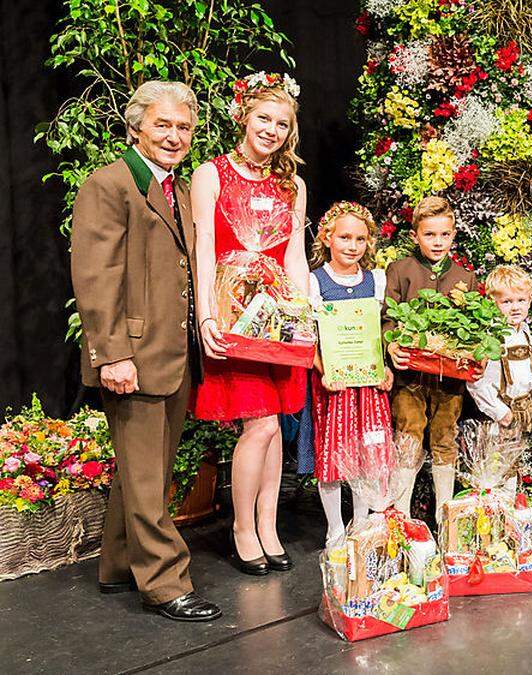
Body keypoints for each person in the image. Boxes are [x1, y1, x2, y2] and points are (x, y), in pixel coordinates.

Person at [71, 80, 221, 621]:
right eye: (163, 125)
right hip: (132, 355)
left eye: (183, 127)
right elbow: (96, 276)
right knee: (145, 473)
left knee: (144, 470)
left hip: (172, 354)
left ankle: (116, 565)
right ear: (135, 127)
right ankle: (163, 583)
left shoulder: (175, 190)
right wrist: (112, 353)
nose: (175, 136)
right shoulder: (109, 185)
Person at [192, 72, 308, 575]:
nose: (272, 130)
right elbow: (203, 250)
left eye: (282, 123)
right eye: (264, 117)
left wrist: (306, 315)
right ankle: (242, 528)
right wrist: (205, 316)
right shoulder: (210, 174)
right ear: (244, 116)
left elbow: (296, 255)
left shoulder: (293, 184)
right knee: (257, 422)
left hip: (279, 315)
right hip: (235, 311)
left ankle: (268, 526)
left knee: (277, 425)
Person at [305, 202, 394, 546]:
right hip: (333, 384)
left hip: (369, 386)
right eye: (344, 237)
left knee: (366, 454)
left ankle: (360, 522)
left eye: (360, 239)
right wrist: (322, 369)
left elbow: (383, 332)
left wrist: (386, 367)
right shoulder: (316, 282)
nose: (352, 246)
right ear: (327, 237)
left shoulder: (376, 280)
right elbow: (306, 334)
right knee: (333, 454)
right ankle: (335, 527)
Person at [383, 196, 477, 518]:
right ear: (415, 236)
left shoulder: (465, 277)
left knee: (444, 437)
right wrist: (390, 343)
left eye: (444, 235)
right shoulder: (400, 270)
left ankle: (444, 512)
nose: (438, 242)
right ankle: (401, 513)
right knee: (408, 434)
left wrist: (477, 353)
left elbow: (476, 326)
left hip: (449, 380)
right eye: (429, 234)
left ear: (453, 235)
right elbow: (387, 317)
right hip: (410, 377)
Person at [466, 265, 532, 493]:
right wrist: (499, 411)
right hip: (498, 416)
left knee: (513, 465)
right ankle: (491, 515)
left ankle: (510, 511)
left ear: (530, 301)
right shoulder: (491, 338)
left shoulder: (529, 338)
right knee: (492, 468)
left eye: (521, 300)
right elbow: (476, 381)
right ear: (493, 303)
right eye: (507, 302)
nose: (515, 307)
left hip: (523, 412)